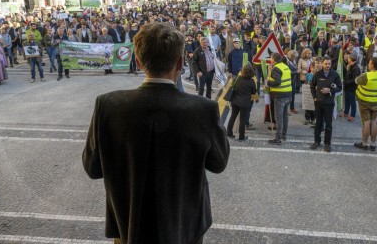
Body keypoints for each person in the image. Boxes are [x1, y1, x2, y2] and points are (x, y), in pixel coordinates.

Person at [82, 22, 230, 244]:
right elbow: (218, 163)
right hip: (185, 228)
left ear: (139, 62)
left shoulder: (108, 105)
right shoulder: (203, 109)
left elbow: (93, 168)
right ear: (180, 63)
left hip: (129, 227)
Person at [353, 57, 377, 151]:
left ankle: (364, 144)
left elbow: (356, 81)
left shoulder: (366, 75)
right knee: (374, 122)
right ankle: (373, 144)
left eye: (369, 63)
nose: (368, 64)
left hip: (364, 101)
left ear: (372, 65)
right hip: (376, 101)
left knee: (366, 123)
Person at [310, 56, 342, 152]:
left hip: (329, 103)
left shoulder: (335, 74)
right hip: (318, 103)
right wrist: (314, 97)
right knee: (318, 123)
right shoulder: (317, 74)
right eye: (326, 63)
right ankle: (316, 141)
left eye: (329, 64)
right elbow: (312, 86)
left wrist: (330, 90)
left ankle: (327, 143)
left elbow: (340, 87)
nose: (327, 65)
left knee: (328, 124)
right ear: (322, 64)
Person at [267, 53, 292, 145]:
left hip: (280, 96)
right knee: (285, 116)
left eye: (271, 57)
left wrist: (268, 82)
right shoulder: (285, 66)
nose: (270, 59)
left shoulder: (276, 68)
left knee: (279, 118)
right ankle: (283, 135)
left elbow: (277, 82)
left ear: (273, 59)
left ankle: (278, 139)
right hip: (288, 94)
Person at [227, 64, 257, 142]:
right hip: (245, 103)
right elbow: (253, 92)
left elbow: (233, 87)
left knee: (233, 116)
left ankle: (229, 133)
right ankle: (241, 136)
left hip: (235, 101)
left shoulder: (237, 78)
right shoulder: (251, 81)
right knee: (242, 120)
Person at [343, 53, 361, 122]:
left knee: (352, 102)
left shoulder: (356, 68)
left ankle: (353, 115)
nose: (347, 59)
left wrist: (345, 82)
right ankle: (346, 112)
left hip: (352, 88)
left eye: (348, 58)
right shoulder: (351, 66)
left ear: (350, 59)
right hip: (348, 87)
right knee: (347, 100)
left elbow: (354, 80)